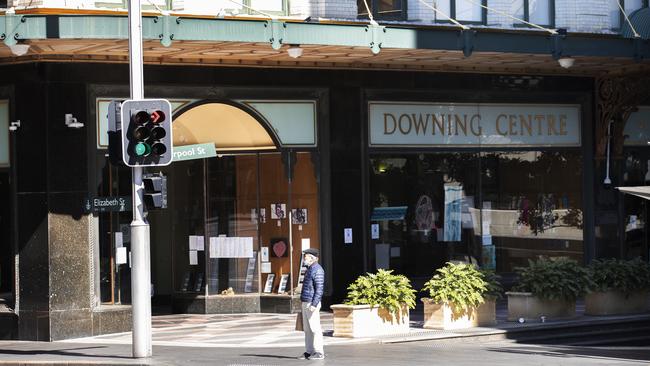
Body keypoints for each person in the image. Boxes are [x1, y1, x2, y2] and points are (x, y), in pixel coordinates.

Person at [298, 248, 325, 360]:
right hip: (305, 301)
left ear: (313, 258)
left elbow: (319, 289)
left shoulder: (317, 270)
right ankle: (309, 351)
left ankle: (319, 352)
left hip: (311, 303)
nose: (304, 259)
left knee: (315, 328)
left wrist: (314, 304)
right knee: (307, 330)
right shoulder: (310, 269)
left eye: (306, 257)